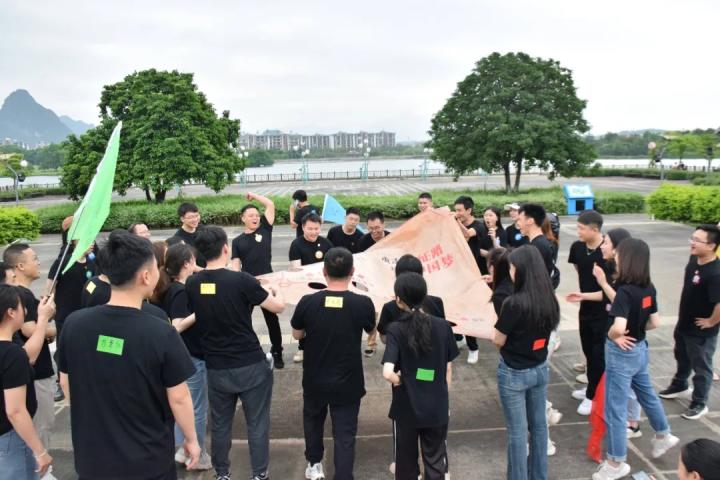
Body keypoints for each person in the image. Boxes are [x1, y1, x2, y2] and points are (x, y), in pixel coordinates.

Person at [58, 230, 201, 479]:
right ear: (146, 276)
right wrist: (191, 439)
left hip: (92, 458)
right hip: (147, 460)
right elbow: (179, 397)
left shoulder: (74, 323)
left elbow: (65, 381)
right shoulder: (160, 331)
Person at [186, 226, 285, 480]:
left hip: (216, 366)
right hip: (250, 363)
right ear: (226, 249)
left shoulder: (193, 283)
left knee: (220, 424)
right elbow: (277, 307)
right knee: (257, 423)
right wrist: (276, 289)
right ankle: (259, 474)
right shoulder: (241, 280)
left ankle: (222, 473)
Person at [593, 238, 679, 480]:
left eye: (619, 254)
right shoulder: (648, 287)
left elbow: (619, 326)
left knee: (615, 410)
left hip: (621, 355)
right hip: (640, 349)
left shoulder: (624, 291)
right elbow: (655, 322)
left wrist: (615, 336)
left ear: (628, 259)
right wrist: (637, 331)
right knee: (646, 394)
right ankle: (663, 434)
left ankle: (615, 463)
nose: (616, 257)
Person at [290, 247, 375, 480]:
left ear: (324, 271)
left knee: (313, 422)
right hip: (348, 380)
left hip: (315, 378)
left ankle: (314, 464)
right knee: (345, 433)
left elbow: (297, 334)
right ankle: (343, 474)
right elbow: (371, 330)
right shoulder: (362, 303)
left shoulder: (308, 301)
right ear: (352, 271)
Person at [382, 272, 459, 480]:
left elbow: (387, 372)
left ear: (399, 300)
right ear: (424, 295)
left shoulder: (395, 329)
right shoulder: (443, 326)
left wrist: (401, 380)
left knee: (406, 464)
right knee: (435, 461)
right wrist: (444, 398)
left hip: (406, 406)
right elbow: (448, 367)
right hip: (437, 405)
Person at [493, 245, 560, 480]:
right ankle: (538, 475)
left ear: (521, 271)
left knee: (518, 432)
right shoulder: (549, 299)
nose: (510, 272)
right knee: (539, 427)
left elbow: (498, 339)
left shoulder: (513, 303)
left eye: (512, 268)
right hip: (540, 368)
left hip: (514, 372)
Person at [158, 243, 212, 471]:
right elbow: (177, 326)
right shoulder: (180, 291)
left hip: (185, 355)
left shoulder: (171, 287)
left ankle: (182, 450)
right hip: (192, 356)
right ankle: (197, 454)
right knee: (197, 409)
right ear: (186, 264)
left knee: (188, 406)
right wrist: (200, 312)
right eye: (193, 260)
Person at [659, 224, 720, 420]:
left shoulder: (716, 272)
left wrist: (711, 322)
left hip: (701, 331)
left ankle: (699, 402)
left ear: (711, 246)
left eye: (697, 240)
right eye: (692, 238)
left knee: (701, 366)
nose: (692, 243)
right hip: (684, 323)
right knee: (682, 356)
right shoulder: (694, 259)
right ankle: (680, 385)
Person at [3, 244, 58, 461]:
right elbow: (29, 330)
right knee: (40, 426)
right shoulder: (19, 296)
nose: (38, 262)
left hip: (32, 373)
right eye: (34, 258)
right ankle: (41, 467)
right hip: (35, 375)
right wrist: (47, 324)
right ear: (20, 266)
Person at [0, 284, 55, 479]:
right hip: (11, 439)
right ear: (10, 312)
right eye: (22, 306)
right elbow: (15, 411)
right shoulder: (12, 354)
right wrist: (40, 451)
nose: (25, 311)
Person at [231, 192, 285, 368]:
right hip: (247, 283)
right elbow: (235, 265)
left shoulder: (265, 229)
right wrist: (236, 283)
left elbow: (270, 204)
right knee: (242, 319)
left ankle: (277, 352)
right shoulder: (237, 241)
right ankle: (246, 350)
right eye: (250, 215)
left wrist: (253, 196)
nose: (255, 218)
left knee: (272, 319)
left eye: (256, 215)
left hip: (267, 282)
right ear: (243, 219)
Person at [46, 241, 98, 402]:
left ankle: (85, 380)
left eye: (93, 240)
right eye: (87, 240)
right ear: (75, 242)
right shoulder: (64, 262)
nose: (91, 244)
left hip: (87, 313)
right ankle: (61, 383)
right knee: (64, 348)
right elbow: (50, 286)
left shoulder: (93, 261)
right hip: (65, 313)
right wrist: (50, 305)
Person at [566, 210, 606, 416]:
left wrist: (585, 295)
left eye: (581, 228)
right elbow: (579, 270)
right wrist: (583, 295)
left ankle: (593, 396)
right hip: (586, 307)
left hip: (605, 311)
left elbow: (610, 289)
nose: (578, 232)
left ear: (595, 229)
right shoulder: (578, 247)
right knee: (588, 350)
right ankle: (593, 385)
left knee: (599, 354)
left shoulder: (607, 250)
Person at [289, 213, 334, 364]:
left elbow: (332, 266)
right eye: (310, 229)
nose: (314, 232)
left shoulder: (326, 243)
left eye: (316, 228)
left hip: (324, 287)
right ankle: (302, 348)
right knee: (305, 320)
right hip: (304, 289)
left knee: (326, 320)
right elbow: (296, 270)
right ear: (303, 227)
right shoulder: (296, 245)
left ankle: (325, 347)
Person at [453, 195, 487, 364]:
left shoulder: (478, 226)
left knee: (469, 312)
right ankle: (459, 338)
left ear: (469, 210)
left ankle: (473, 348)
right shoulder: (456, 223)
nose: (457, 213)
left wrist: (455, 221)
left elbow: (467, 234)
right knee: (455, 309)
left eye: (460, 210)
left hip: (475, 276)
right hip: (458, 274)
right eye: (455, 210)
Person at [517, 203, 559, 289]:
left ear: (530, 221)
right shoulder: (536, 243)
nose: (518, 224)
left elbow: (534, 278)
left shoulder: (539, 246)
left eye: (520, 220)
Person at [175, 202, 206, 267]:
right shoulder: (179, 238)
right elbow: (186, 264)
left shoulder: (203, 229)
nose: (195, 219)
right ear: (182, 219)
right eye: (191, 217)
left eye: (197, 215)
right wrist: (205, 270)